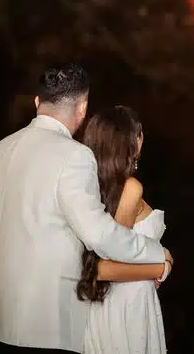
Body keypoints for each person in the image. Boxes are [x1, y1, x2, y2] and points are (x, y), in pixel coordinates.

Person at [0, 64, 173, 353]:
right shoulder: (74, 156)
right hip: (43, 325)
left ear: (37, 102)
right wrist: (156, 255)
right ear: (83, 108)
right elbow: (99, 235)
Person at [77, 106, 168, 354]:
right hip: (126, 306)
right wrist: (161, 266)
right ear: (134, 139)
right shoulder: (131, 188)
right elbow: (101, 268)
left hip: (107, 306)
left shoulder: (88, 187)